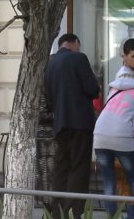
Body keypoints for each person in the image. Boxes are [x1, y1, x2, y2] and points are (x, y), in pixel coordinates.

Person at [93, 38, 134, 219]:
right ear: (124, 56)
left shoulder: (114, 85)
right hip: (122, 136)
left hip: (100, 134)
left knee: (109, 183)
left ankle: (112, 217)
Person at [44, 33, 101, 219]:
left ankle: (57, 212)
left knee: (61, 169)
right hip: (80, 123)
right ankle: (74, 212)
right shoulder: (79, 58)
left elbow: (48, 98)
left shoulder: (50, 63)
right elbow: (93, 89)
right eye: (79, 45)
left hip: (60, 124)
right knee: (79, 168)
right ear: (75, 43)